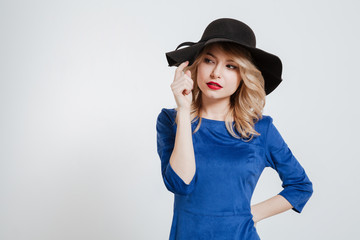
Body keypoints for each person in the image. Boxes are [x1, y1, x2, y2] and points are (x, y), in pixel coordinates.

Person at [156, 18, 313, 240]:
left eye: (231, 66)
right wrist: (183, 110)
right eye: (209, 61)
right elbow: (180, 184)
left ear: (243, 75)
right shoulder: (170, 121)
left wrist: (248, 215)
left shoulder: (260, 129)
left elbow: (300, 186)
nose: (216, 73)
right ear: (196, 65)